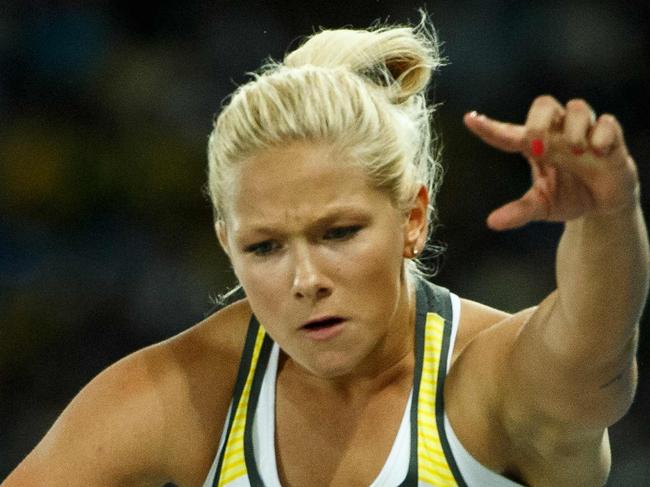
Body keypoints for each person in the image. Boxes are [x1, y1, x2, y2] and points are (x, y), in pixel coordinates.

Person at [2, 16, 647, 487]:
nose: (305, 279)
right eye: (265, 247)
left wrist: (607, 216)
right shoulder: (189, 389)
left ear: (413, 218)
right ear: (227, 246)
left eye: (338, 233)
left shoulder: (488, 382)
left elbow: (596, 362)